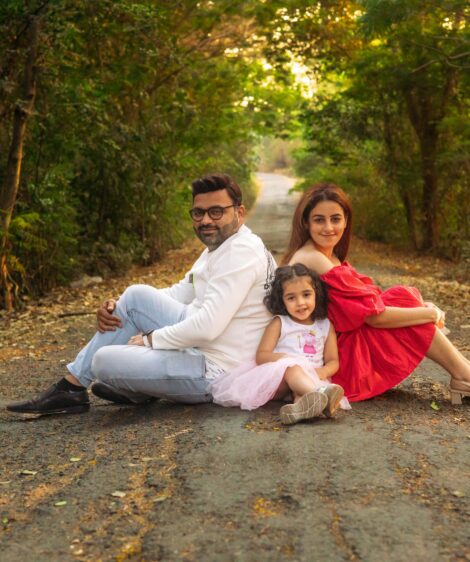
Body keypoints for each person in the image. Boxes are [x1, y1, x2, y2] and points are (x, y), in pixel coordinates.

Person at [6, 174, 276, 415]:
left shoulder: (240, 253)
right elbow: (180, 292)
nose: (206, 220)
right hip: (203, 347)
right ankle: (77, 387)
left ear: (239, 212)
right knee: (135, 296)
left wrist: (151, 340)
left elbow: (207, 328)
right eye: (198, 213)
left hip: (217, 368)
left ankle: (101, 388)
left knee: (103, 361)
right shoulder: (223, 246)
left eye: (216, 212)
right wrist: (120, 306)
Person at [282, 182, 470, 404]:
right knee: (412, 312)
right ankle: (464, 375)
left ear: (346, 221)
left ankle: (464, 373)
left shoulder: (328, 256)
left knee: (403, 299)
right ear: (306, 222)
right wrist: (430, 314)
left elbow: (370, 303)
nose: (328, 227)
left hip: (338, 344)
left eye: (335, 219)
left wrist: (421, 308)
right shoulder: (312, 257)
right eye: (319, 220)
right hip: (331, 361)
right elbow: (373, 317)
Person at [211, 263, 350, 424]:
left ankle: (300, 409)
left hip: (311, 378)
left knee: (302, 392)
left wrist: (323, 372)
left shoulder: (325, 325)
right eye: (291, 298)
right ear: (282, 300)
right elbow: (261, 356)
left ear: (316, 294)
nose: (300, 302)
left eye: (306, 294)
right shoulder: (280, 323)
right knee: (293, 369)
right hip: (280, 380)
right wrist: (287, 360)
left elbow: (333, 360)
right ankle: (319, 394)